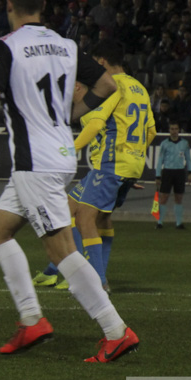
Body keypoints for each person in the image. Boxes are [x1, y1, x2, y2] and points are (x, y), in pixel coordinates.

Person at [0, 0, 138, 363]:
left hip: (36, 163)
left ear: (8, 6)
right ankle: (31, 318)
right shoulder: (66, 45)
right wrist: (68, 114)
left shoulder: (7, 46)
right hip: (56, 155)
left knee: (61, 250)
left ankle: (115, 330)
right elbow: (108, 86)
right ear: (42, 7)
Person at [34, 39, 155, 293]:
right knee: (76, 210)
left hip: (112, 165)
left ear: (101, 62)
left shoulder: (114, 86)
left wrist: (68, 151)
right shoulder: (139, 87)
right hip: (129, 163)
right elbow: (151, 131)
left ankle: (96, 281)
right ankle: (55, 270)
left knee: (86, 218)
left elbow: (95, 124)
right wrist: (133, 161)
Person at [155, 123, 191, 230]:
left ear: (179, 130)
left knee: (179, 198)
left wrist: (190, 172)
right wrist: (158, 175)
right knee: (164, 197)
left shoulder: (184, 143)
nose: (174, 131)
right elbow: (160, 161)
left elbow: (188, 159)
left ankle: (179, 223)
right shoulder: (164, 144)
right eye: (172, 129)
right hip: (167, 172)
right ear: (169, 130)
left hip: (180, 172)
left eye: (176, 129)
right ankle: (160, 222)